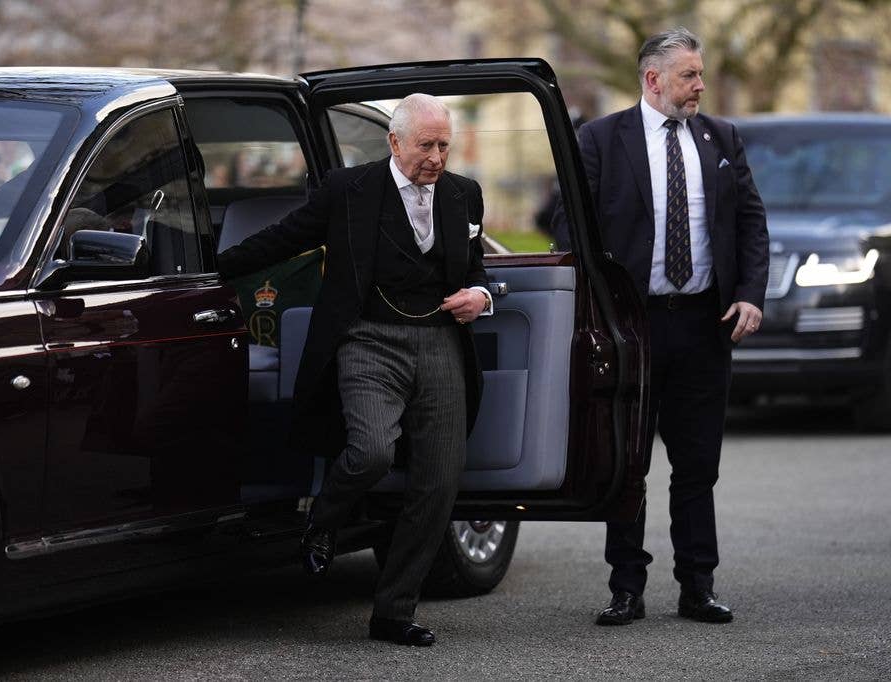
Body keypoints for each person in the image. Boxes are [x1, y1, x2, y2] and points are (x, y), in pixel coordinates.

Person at [216, 93, 492, 646]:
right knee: (370, 452)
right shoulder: (349, 190)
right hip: (366, 339)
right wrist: (210, 273)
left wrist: (481, 295)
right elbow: (285, 238)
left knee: (439, 482)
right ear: (394, 142)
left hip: (440, 340)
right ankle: (323, 517)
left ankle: (393, 611)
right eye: (425, 146)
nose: (436, 158)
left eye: (444, 146)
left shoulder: (464, 194)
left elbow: (478, 266)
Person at [557, 27, 769, 626]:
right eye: (689, 76)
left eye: (700, 74)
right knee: (628, 464)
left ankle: (697, 585)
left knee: (698, 463)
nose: (700, 85)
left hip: (705, 324)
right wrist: (595, 305)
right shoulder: (600, 139)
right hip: (633, 327)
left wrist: (751, 294)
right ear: (653, 79)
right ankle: (626, 586)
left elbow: (751, 223)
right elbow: (570, 227)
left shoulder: (722, 137)